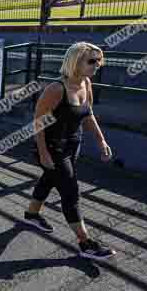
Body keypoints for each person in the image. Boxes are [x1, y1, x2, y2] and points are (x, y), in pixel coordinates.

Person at [24, 41, 116, 260]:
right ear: (75, 62)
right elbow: (38, 123)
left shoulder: (86, 84)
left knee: (49, 179)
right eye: (92, 61)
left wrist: (101, 141)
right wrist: (44, 154)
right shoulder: (56, 89)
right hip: (52, 147)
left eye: (99, 60)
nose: (97, 65)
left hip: (73, 145)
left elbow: (88, 114)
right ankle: (85, 243)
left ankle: (31, 214)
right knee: (70, 192)